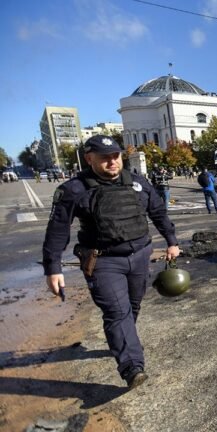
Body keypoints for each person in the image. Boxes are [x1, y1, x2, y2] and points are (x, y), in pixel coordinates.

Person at [42, 135, 179, 389]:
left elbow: (158, 212)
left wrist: (171, 240)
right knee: (117, 311)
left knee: (133, 306)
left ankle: (123, 341)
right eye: (104, 158)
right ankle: (132, 367)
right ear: (89, 159)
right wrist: (53, 267)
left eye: (115, 156)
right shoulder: (74, 190)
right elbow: (58, 229)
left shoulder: (137, 183)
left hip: (140, 256)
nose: (112, 162)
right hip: (103, 261)